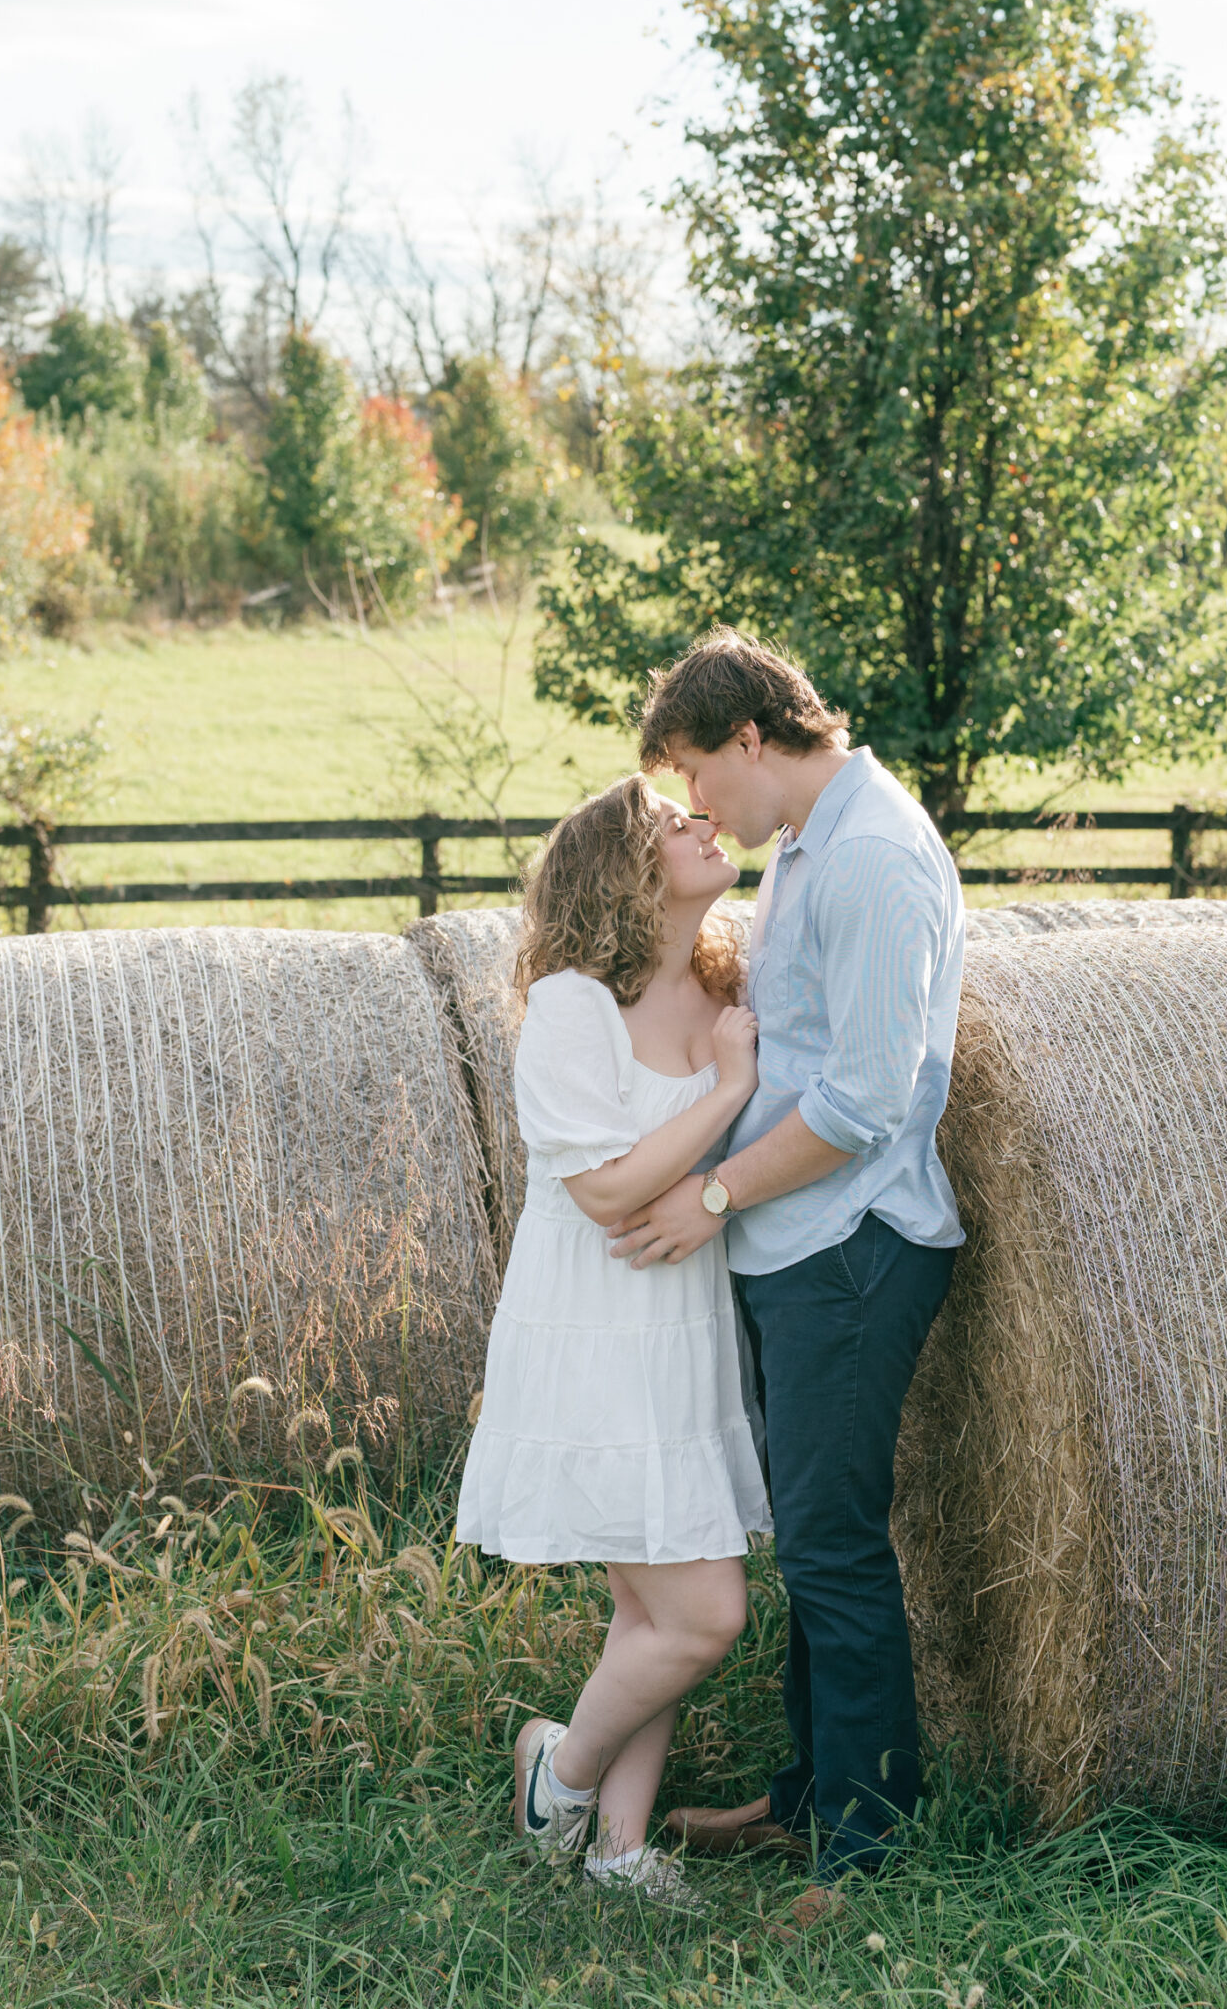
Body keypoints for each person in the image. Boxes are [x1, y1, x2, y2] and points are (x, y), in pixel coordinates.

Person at [605, 629, 965, 1902]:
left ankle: (864, 1854)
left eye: (701, 774)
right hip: (797, 1239)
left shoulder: (867, 858)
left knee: (833, 1545)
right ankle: (808, 1795)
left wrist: (712, 1192)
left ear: (752, 739)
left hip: (851, 1247)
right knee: (807, 1539)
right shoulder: (812, 847)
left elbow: (868, 1100)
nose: (699, 805)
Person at [454, 774, 770, 1908]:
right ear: (624, 873)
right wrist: (730, 1087)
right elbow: (605, 1190)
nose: (705, 823)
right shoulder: (574, 1003)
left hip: (683, 1325)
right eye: (673, 825)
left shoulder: (723, 981)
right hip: (592, 1329)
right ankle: (563, 1770)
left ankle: (622, 1851)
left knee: (649, 1608)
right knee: (703, 1613)